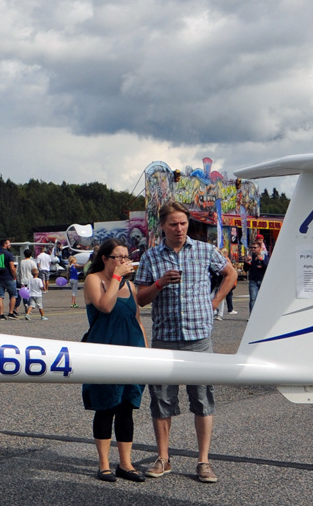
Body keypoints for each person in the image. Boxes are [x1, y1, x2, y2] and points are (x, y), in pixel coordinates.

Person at [134, 201, 236, 484]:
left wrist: (214, 302)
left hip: (199, 337)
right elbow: (139, 299)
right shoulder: (151, 257)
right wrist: (160, 284)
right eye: (173, 224)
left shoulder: (204, 251)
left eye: (183, 223)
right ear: (162, 227)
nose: (179, 229)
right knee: (161, 400)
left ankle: (203, 460)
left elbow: (231, 274)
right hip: (166, 338)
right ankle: (163, 458)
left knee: (203, 399)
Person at [82, 240, 147, 482]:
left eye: (126, 257)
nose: (123, 261)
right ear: (105, 258)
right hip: (104, 353)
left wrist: (147, 352)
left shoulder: (130, 286)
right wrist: (117, 278)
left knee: (126, 408)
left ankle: (126, 463)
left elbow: (137, 321)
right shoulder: (94, 280)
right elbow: (105, 307)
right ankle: (104, 464)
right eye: (118, 257)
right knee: (105, 407)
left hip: (132, 352)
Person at [0, 239, 19, 319]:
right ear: (5, 244)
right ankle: (10, 313)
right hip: (8, 277)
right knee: (13, 295)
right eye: (9, 244)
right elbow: (12, 268)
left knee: (0, 296)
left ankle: (1, 314)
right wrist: (14, 276)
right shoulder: (9, 254)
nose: (10, 245)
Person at [245, 239, 268, 312]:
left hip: (262, 280)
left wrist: (261, 260)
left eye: (255, 248)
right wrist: (247, 262)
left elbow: (267, 267)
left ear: (260, 248)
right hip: (253, 280)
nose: (253, 249)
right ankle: (252, 316)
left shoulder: (264, 256)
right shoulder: (250, 256)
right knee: (253, 298)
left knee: (262, 299)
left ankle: (261, 315)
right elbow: (245, 269)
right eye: (252, 248)